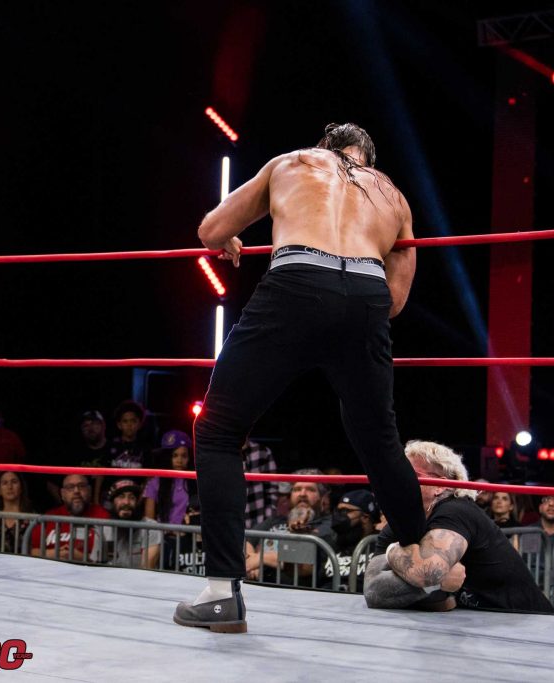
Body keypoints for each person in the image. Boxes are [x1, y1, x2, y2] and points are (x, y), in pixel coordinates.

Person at [175, 122, 427, 633]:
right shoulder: (394, 196)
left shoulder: (292, 162)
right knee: (379, 440)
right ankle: (424, 575)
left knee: (218, 430)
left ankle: (222, 594)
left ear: (323, 148)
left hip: (296, 281)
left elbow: (210, 231)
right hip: (366, 296)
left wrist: (233, 240)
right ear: (368, 158)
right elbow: (396, 302)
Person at [366, 441, 553, 613]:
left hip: (526, 622)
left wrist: (392, 551)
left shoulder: (456, 510)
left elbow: (427, 571)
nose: (400, 481)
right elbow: (373, 591)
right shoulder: (403, 518)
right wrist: (435, 585)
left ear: (440, 486)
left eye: (412, 475)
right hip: (478, 623)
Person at [243, 470, 338, 587]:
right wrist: (251, 563)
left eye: (310, 489)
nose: (302, 494)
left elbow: (303, 564)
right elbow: (248, 540)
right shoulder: (275, 521)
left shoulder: (327, 525)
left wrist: (261, 559)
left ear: (323, 498)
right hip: (258, 586)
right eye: (297, 489)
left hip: (296, 590)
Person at [31, 474, 111, 563]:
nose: (76, 491)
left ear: (89, 490)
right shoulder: (50, 516)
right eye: (70, 487)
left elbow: (110, 556)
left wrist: (82, 557)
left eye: (81, 486)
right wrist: (54, 553)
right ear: (62, 494)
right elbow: (31, 551)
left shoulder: (103, 516)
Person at [320, 489, 379, 592]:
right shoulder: (327, 543)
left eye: (345, 511)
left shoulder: (381, 545)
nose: (339, 516)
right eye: (338, 511)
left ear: (365, 517)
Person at [108, 477, 163, 569]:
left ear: (137, 502)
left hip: (138, 578)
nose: (126, 502)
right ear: (112, 501)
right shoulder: (103, 526)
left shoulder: (151, 528)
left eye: (132, 497)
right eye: (121, 497)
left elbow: (146, 569)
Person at [142, 430, 196, 525]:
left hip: (189, 532)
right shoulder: (155, 482)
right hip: (162, 533)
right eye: (174, 456)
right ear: (167, 457)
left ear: (189, 458)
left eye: (184, 456)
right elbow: (149, 520)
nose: (179, 460)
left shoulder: (196, 481)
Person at [0, 471, 36, 553]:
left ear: (21, 488)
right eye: (5, 483)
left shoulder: (32, 518)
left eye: (14, 482)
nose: (10, 487)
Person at [242, 439, 278, 528]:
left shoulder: (263, 452)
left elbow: (272, 489)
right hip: (230, 519)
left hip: (258, 520)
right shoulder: (221, 452)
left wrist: (268, 521)